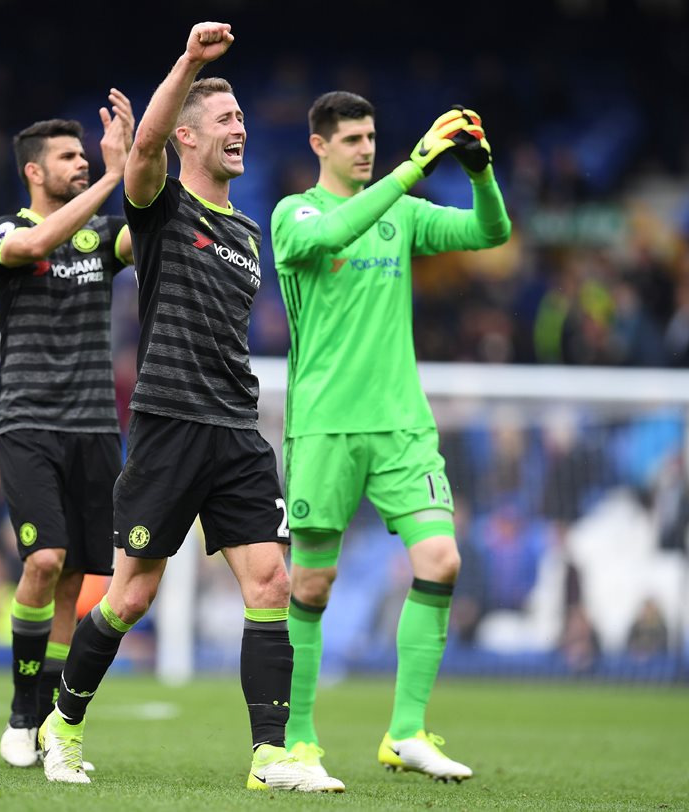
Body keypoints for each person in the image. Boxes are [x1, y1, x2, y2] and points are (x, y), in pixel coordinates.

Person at [38, 23, 344, 793]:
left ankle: (269, 755)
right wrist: (187, 63)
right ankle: (61, 724)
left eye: (243, 118)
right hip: (170, 423)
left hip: (237, 429)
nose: (241, 128)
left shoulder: (246, 231)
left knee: (271, 583)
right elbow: (140, 154)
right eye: (225, 119)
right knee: (132, 596)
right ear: (187, 138)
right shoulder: (163, 208)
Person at [271, 92, 511, 781]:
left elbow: (491, 234)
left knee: (442, 560)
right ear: (320, 145)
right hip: (325, 429)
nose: (365, 147)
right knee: (312, 586)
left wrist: (479, 172)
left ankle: (406, 731)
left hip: (402, 425)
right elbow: (326, 237)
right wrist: (410, 170)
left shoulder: (401, 213)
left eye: (372, 135)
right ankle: (299, 741)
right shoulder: (297, 213)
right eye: (351, 139)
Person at [0, 91, 135, 769]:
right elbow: (37, 242)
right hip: (28, 421)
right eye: (69, 157)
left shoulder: (103, 238)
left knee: (77, 580)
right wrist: (110, 177)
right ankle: (20, 713)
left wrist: (144, 157)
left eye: (85, 155)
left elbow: (148, 228)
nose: (81, 163)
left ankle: (49, 723)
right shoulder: (4, 231)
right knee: (43, 562)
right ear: (34, 172)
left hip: (97, 427)